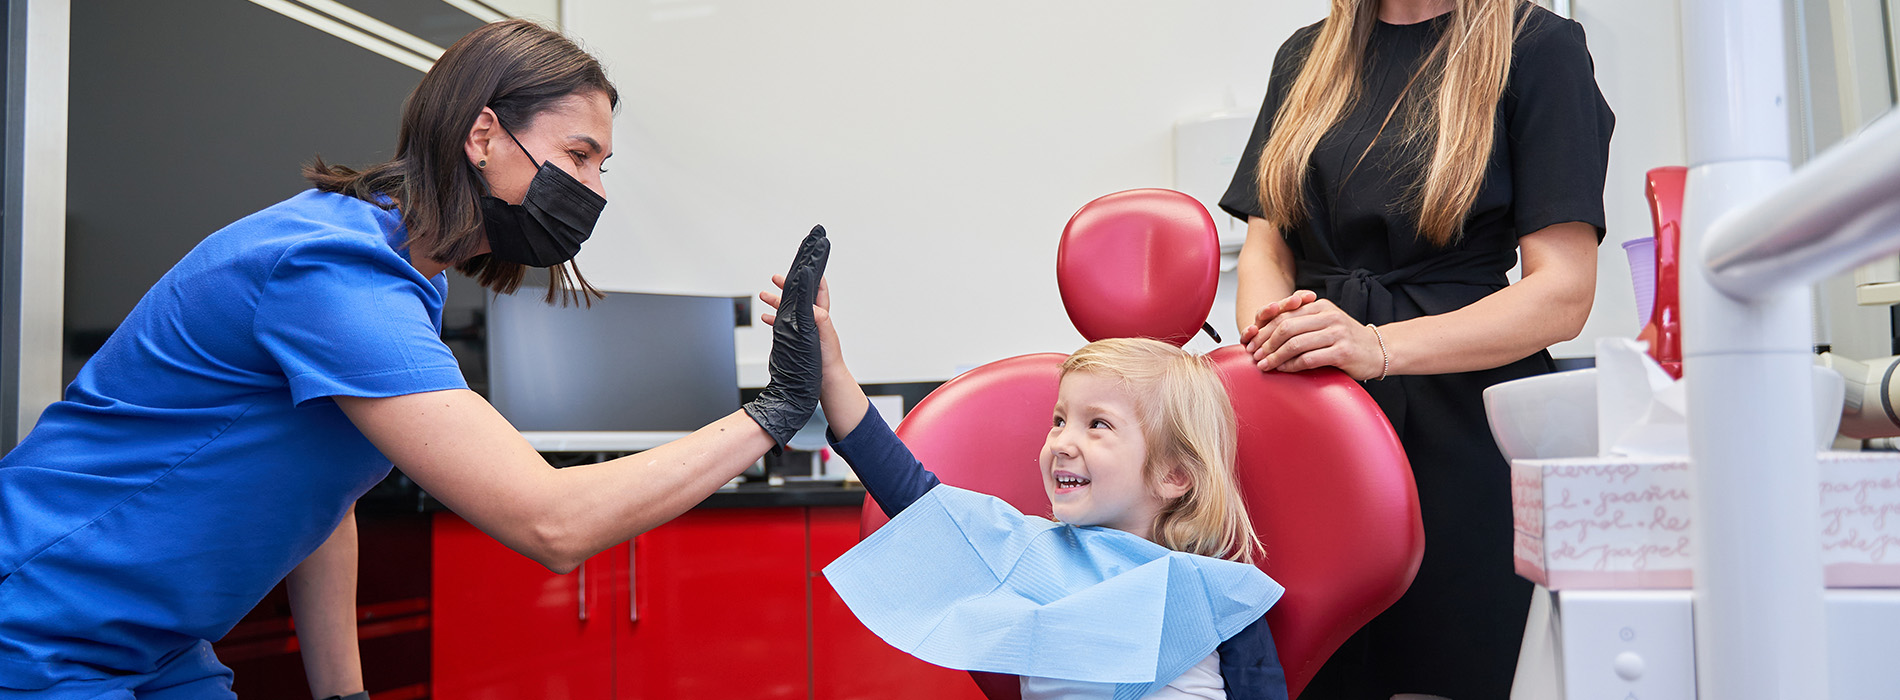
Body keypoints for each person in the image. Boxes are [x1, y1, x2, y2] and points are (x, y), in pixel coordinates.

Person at [0, 20, 828, 699]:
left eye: (601, 167)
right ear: (482, 135)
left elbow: (323, 494)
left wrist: (342, 697)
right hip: (42, 626)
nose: (597, 190)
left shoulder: (402, 273)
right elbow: (552, 522)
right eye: (578, 156)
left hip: (159, 645)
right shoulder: (331, 272)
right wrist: (775, 408)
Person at [1218, 0, 1612, 697]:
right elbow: (1265, 253)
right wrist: (1271, 346)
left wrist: (1377, 346)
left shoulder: (1540, 48)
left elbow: (1564, 293)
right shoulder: (1305, 57)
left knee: (1453, 669)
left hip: (1463, 430)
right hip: (1316, 425)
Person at [762, 274, 1289, 699]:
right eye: (1059, 420)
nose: (1061, 441)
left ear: (1174, 474)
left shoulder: (1217, 591)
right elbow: (909, 491)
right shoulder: (1021, 553)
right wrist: (830, 369)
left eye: (1097, 425)